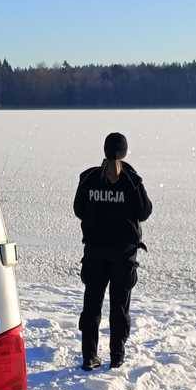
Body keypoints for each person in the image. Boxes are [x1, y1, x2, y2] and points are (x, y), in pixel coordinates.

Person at [73, 132, 153, 370]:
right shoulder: (131, 180)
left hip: (95, 253)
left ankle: (89, 356)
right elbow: (145, 212)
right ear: (125, 152)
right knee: (119, 308)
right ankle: (116, 357)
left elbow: (78, 209)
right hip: (123, 256)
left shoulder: (89, 179)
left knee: (92, 305)